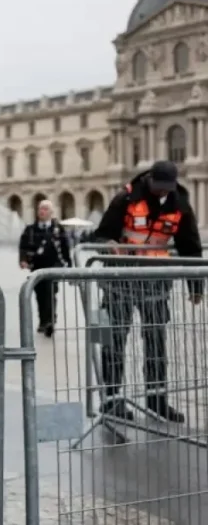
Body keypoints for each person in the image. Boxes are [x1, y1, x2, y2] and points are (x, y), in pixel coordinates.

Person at [92, 160, 202, 423]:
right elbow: (101, 234)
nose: (161, 192)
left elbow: (190, 245)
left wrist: (196, 286)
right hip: (121, 279)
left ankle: (156, 400)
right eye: (158, 187)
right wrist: (107, 244)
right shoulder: (127, 197)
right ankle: (112, 401)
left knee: (156, 342)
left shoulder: (180, 203)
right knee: (115, 341)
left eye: (166, 188)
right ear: (150, 179)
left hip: (155, 281)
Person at [18, 199, 72, 336]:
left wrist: (70, 265)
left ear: (51, 212)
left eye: (45, 209)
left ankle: (50, 321)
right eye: (40, 209)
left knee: (51, 292)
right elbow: (23, 246)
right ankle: (43, 321)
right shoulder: (30, 229)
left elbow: (65, 248)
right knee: (40, 294)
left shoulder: (58, 229)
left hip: (53, 266)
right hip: (36, 266)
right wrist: (23, 260)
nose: (42, 211)